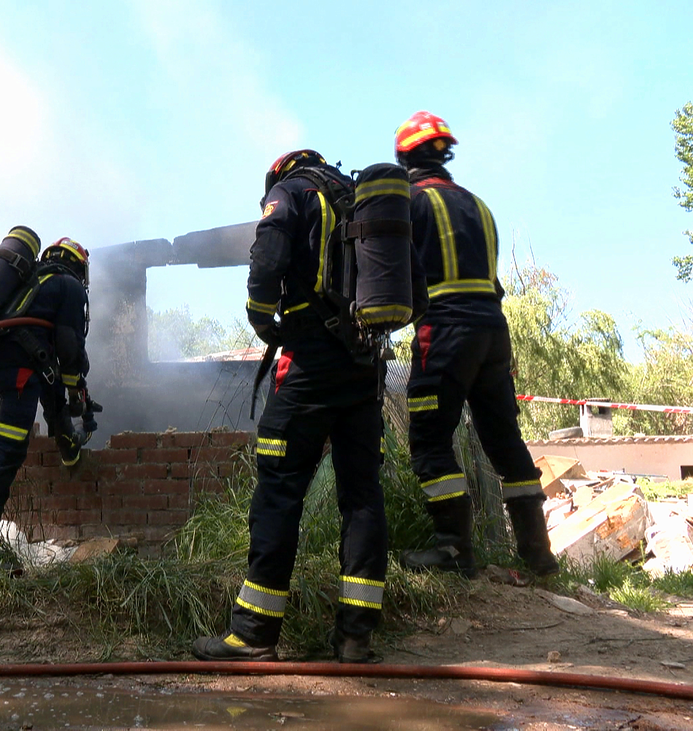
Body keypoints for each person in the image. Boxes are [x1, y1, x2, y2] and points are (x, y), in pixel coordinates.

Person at [192, 150, 415, 663]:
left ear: (277, 173)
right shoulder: (362, 201)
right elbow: (412, 290)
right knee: (362, 497)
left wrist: (261, 317)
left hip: (309, 367)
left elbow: (267, 260)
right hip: (365, 369)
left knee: (278, 492)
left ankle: (253, 635)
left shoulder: (291, 192)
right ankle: (356, 638)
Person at [394, 111, 559, 579]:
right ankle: (539, 557)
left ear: (404, 156)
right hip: (493, 334)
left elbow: (395, 276)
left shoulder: (411, 202)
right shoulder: (479, 205)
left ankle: (453, 551)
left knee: (429, 441)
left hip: (445, 333)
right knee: (506, 442)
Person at [0, 237, 94, 573]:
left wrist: (68, 442)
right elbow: (70, 351)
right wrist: (79, 393)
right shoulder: (68, 286)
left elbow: (51, 381)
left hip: (2, 359)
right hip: (18, 366)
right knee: (10, 450)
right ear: (77, 266)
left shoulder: (33, 285)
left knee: (42, 385)